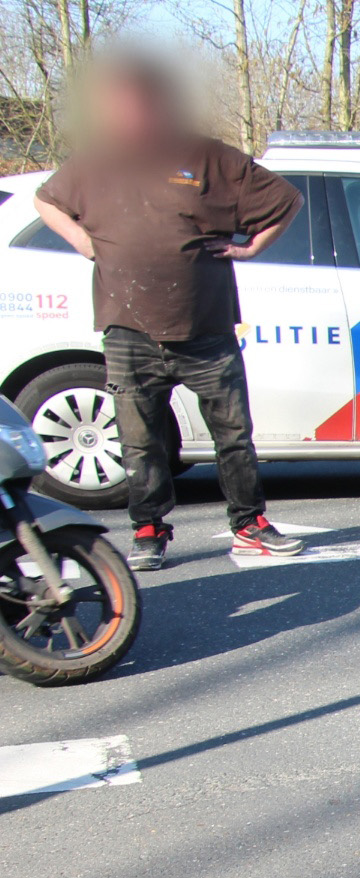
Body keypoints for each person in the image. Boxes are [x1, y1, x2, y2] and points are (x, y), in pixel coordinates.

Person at [33, 53, 307, 570]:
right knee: (140, 444)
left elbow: (286, 200)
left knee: (233, 437)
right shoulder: (95, 162)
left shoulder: (207, 158)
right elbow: (46, 202)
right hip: (129, 330)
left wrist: (251, 249)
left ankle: (249, 525)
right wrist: (81, 239)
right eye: (124, 102)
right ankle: (149, 530)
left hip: (205, 330)